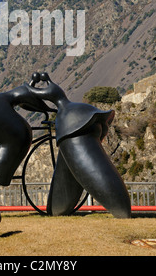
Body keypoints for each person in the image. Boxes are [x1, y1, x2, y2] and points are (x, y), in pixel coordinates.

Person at [25, 72, 131, 218]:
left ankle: (120, 209)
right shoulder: (56, 89)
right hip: (82, 116)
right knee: (67, 169)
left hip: (72, 123)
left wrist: (29, 84)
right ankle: (58, 209)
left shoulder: (54, 93)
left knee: (90, 168)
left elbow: (32, 92)